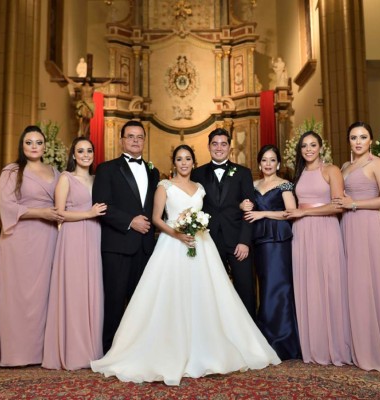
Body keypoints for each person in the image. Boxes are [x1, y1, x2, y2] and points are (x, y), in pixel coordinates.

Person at [90, 145, 281, 385]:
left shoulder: (200, 188)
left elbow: (217, 210)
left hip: (201, 245)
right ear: (174, 163)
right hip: (172, 245)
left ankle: (208, 346)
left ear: (193, 162)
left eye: (188, 158)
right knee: (171, 295)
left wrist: (237, 209)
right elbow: (156, 218)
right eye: (179, 159)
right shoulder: (164, 186)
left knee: (205, 295)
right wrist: (177, 234)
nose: (183, 163)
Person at [0, 125, 63, 367]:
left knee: (43, 295)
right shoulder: (12, 171)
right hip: (19, 238)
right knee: (17, 295)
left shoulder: (56, 172)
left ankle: (40, 352)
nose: (34, 146)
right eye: (29, 142)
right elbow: (7, 205)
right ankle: (15, 352)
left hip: (48, 238)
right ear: (22, 145)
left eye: (38, 142)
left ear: (45, 146)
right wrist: (41, 212)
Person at [334, 122, 380, 371]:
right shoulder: (344, 167)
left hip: (368, 225)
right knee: (353, 283)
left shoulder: (377, 163)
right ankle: (358, 344)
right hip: (347, 225)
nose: (358, 142)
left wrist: (354, 204)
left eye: (363, 137)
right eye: (353, 137)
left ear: (371, 141)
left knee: (370, 280)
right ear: (348, 141)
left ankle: (378, 346)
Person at [284, 131, 352, 366]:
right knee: (308, 284)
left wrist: (305, 212)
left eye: (313, 145)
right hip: (302, 233)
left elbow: (338, 206)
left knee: (330, 283)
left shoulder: (331, 170)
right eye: (304, 145)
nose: (309, 149)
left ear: (321, 147)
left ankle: (335, 346)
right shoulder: (299, 173)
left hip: (326, 230)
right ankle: (313, 346)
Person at [92, 120, 160, 354]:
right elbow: (101, 205)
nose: (135, 140)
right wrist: (130, 221)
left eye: (139, 137)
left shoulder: (153, 171)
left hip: (145, 246)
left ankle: (138, 351)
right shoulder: (106, 169)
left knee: (142, 303)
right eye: (130, 136)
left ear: (144, 140)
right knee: (114, 300)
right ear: (121, 140)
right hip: (118, 245)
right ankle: (110, 351)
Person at [42, 137, 107, 370]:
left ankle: (92, 350)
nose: (86, 154)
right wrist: (89, 214)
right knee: (75, 290)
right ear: (73, 155)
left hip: (95, 235)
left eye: (89, 150)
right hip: (73, 237)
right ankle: (73, 351)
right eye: (81, 151)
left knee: (93, 290)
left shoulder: (98, 179)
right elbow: (59, 213)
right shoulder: (65, 178)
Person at [240, 145, 302, 360]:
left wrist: (263, 214)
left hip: (278, 240)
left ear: (278, 164)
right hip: (258, 241)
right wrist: (242, 206)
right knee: (264, 287)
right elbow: (245, 209)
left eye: (272, 160)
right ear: (259, 164)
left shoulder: (284, 185)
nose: (268, 164)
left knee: (279, 287)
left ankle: (282, 340)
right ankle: (265, 338)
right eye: (264, 160)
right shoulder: (252, 185)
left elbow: (291, 212)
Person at [191, 128, 256, 317]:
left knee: (245, 288)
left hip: (237, 241)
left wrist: (244, 241)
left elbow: (249, 210)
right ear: (208, 146)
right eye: (215, 144)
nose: (219, 148)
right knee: (211, 291)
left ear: (230, 147)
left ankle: (249, 331)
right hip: (208, 241)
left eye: (223, 144)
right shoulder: (197, 174)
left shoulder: (243, 173)